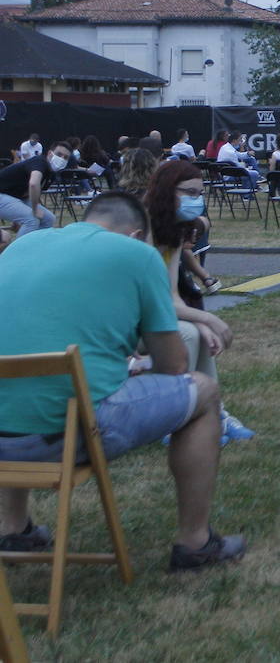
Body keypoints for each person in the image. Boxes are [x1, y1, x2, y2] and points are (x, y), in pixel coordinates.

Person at [0, 191, 246, 569]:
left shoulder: (23, 244)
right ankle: (196, 542)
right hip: (66, 432)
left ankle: (14, 529)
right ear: (134, 235)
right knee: (203, 391)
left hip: (3, 439)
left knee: (24, 381)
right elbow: (173, 367)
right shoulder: (137, 255)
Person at [143, 161, 252, 443]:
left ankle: (214, 412)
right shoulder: (143, 232)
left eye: (199, 193)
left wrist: (199, 320)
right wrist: (206, 318)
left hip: (154, 317)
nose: (197, 200)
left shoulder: (175, 231)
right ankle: (172, 418)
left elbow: (171, 295)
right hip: (129, 322)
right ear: (168, 191)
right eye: (190, 193)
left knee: (199, 334)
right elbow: (149, 303)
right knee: (188, 332)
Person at [0, 139, 70, 236]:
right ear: (50, 154)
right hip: (2, 195)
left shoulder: (51, 174)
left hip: (11, 196)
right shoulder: (40, 161)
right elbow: (33, 183)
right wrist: (34, 209)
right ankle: (20, 250)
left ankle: (36, 245)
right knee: (32, 219)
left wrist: (18, 216)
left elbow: (26, 193)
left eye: (66, 157)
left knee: (49, 219)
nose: (62, 158)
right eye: (59, 154)